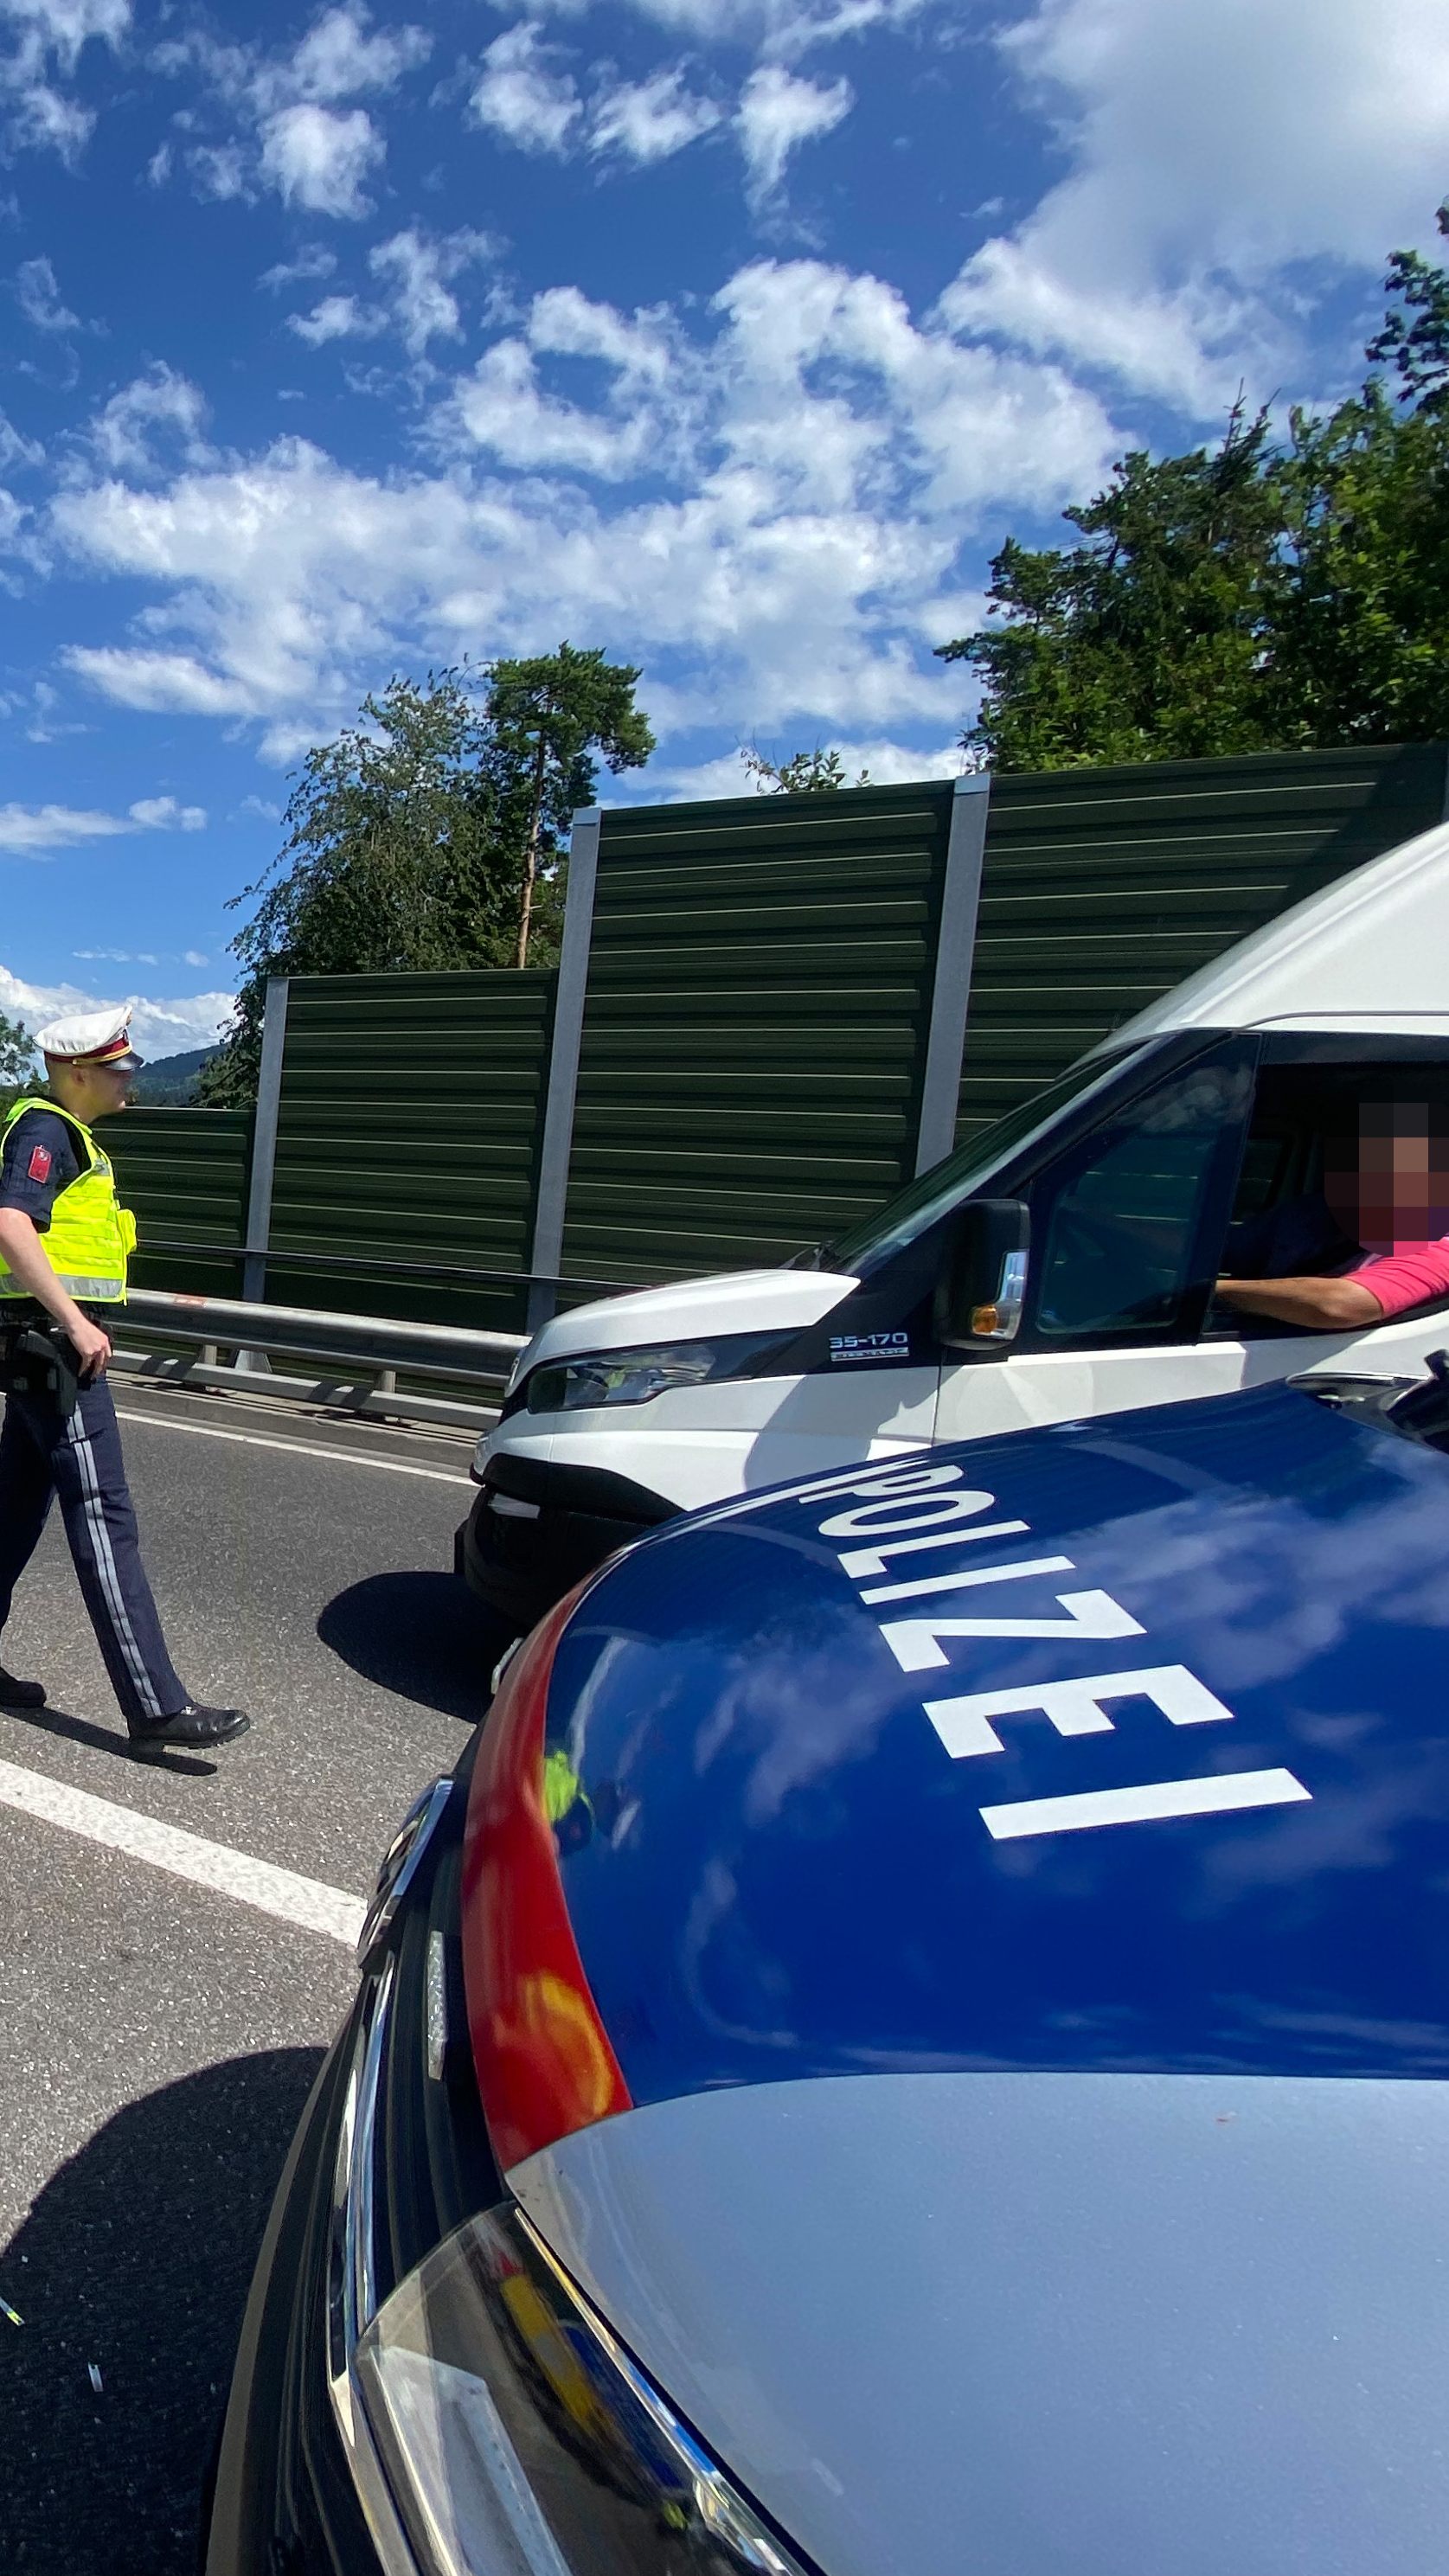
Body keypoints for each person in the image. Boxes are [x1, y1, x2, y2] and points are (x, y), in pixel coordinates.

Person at [0, 1004, 250, 1756]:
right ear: (77, 1070)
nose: (130, 1077)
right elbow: (10, 1223)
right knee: (105, 1516)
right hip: (54, 1354)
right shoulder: (46, 1130)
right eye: (119, 1067)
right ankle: (155, 1705)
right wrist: (76, 1323)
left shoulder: (68, 1136)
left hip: (37, 1349)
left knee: (11, 1511)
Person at [1217, 1096, 1449, 1331]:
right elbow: (1214, 1248)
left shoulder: (1439, 1248)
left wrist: (1211, 1291)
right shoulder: (1312, 1213)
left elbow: (1340, 1305)